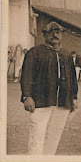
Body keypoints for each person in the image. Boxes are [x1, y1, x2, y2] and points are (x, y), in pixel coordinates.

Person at [20, 21, 78, 155]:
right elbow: (27, 75)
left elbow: (72, 79)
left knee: (54, 138)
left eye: (57, 32)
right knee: (37, 137)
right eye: (50, 32)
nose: (54, 35)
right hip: (41, 101)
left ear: (62, 35)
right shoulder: (35, 52)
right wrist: (27, 96)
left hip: (62, 102)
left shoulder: (66, 54)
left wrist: (73, 97)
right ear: (45, 35)